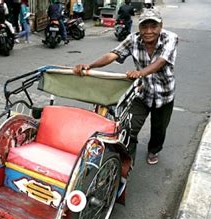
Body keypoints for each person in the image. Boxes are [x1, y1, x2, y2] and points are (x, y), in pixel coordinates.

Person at [73, 9, 178, 165]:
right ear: (139, 28)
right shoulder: (133, 39)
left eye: (153, 26)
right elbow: (113, 54)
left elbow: (161, 61)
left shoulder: (170, 38)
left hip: (164, 94)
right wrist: (90, 65)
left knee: (159, 129)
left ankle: (154, 150)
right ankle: (127, 163)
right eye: (144, 27)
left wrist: (140, 72)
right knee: (129, 128)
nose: (149, 31)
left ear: (160, 26)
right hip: (142, 92)